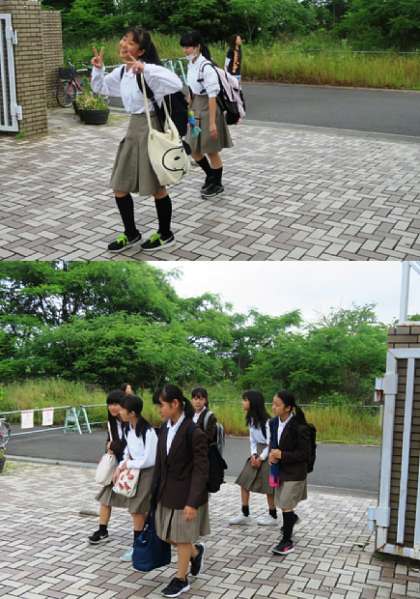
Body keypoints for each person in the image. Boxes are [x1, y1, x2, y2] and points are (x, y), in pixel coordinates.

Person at [90, 28, 183, 253]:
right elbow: (100, 88)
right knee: (119, 186)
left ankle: (165, 234)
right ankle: (131, 233)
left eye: (130, 43)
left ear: (140, 51)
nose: (124, 44)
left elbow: (176, 83)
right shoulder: (122, 71)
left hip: (151, 128)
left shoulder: (149, 71)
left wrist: (145, 68)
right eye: (123, 39)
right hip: (133, 128)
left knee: (157, 187)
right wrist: (98, 69)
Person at [152, 384, 209, 598]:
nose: (159, 409)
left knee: (182, 538)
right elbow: (160, 463)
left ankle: (181, 579)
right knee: (165, 535)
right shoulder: (165, 427)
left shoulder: (194, 432)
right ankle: (196, 552)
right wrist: (153, 492)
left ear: (175, 404)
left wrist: (192, 502)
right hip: (166, 492)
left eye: (161, 405)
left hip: (186, 495)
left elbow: (201, 470)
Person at [180, 31, 233, 199]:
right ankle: (210, 175)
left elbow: (212, 96)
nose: (185, 50)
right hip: (195, 108)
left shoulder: (206, 67)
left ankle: (217, 184)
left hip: (209, 109)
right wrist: (187, 108)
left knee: (211, 150)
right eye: (184, 47)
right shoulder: (191, 64)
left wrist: (212, 123)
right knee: (192, 147)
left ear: (197, 47)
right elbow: (191, 89)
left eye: (188, 47)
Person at [113, 394, 158, 561]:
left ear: (132, 413)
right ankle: (143, 542)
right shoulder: (128, 428)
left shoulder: (148, 431)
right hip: (135, 472)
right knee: (138, 511)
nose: (119, 412)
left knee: (137, 510)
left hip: (148, 473)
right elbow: (127, 451)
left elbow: (150, 460)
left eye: (122, 409)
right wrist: (121, 466)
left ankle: (137, 547)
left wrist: (127, 464)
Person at [269, 390, 310, 556]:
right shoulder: (273, 422)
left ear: (288, 408)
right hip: (279, 470)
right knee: (283, 504)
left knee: (285, 504)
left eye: (277, 405)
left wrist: (282, 455)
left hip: (295, 472)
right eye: (273, 403)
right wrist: (272, 455)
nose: (273, 407)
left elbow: (304, 454)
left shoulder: (300, 427)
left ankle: (287, 542)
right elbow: (273, 443)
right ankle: (291, 520)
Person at [229, 390, 277, 527]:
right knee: (244, 481)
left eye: (245, 400)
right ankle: (244, 514)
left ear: (253, 403)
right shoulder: (251, 420)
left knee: (269, 487)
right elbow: (252, 440)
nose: (242, 402)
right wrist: (254, 455)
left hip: (268, 454)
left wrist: (261, 458)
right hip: (256, 454)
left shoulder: (267, 422)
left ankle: (273, 516)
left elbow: (271, 443)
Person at [88, 389, 128, 545]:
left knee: (137, 505)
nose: (112, 407)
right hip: (116, 466)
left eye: (116, 404)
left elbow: (129, 446)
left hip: (131, 467)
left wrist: (113, 446)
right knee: (105, 499)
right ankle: (102, 530)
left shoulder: (131, 422)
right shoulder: (111, 422)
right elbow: (110, 441)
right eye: (110, 404)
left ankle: (143, 533)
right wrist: (108, 448)